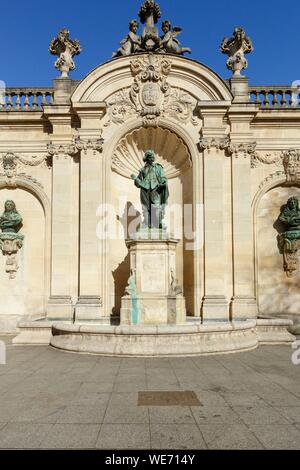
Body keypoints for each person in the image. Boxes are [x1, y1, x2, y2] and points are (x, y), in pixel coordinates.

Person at [131, 150, 169, 229]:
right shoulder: (142, 170)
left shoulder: (158, 167)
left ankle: (157, 223)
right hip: (145, 190)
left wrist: (163, 182)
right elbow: (138, 182)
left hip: (156, 189)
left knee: (156, 206)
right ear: (147, 158)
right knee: (145, 207)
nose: (152, 158)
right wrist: (135, 179)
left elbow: (163, 177)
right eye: (150, 157)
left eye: (153, 157)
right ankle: (147, 224)